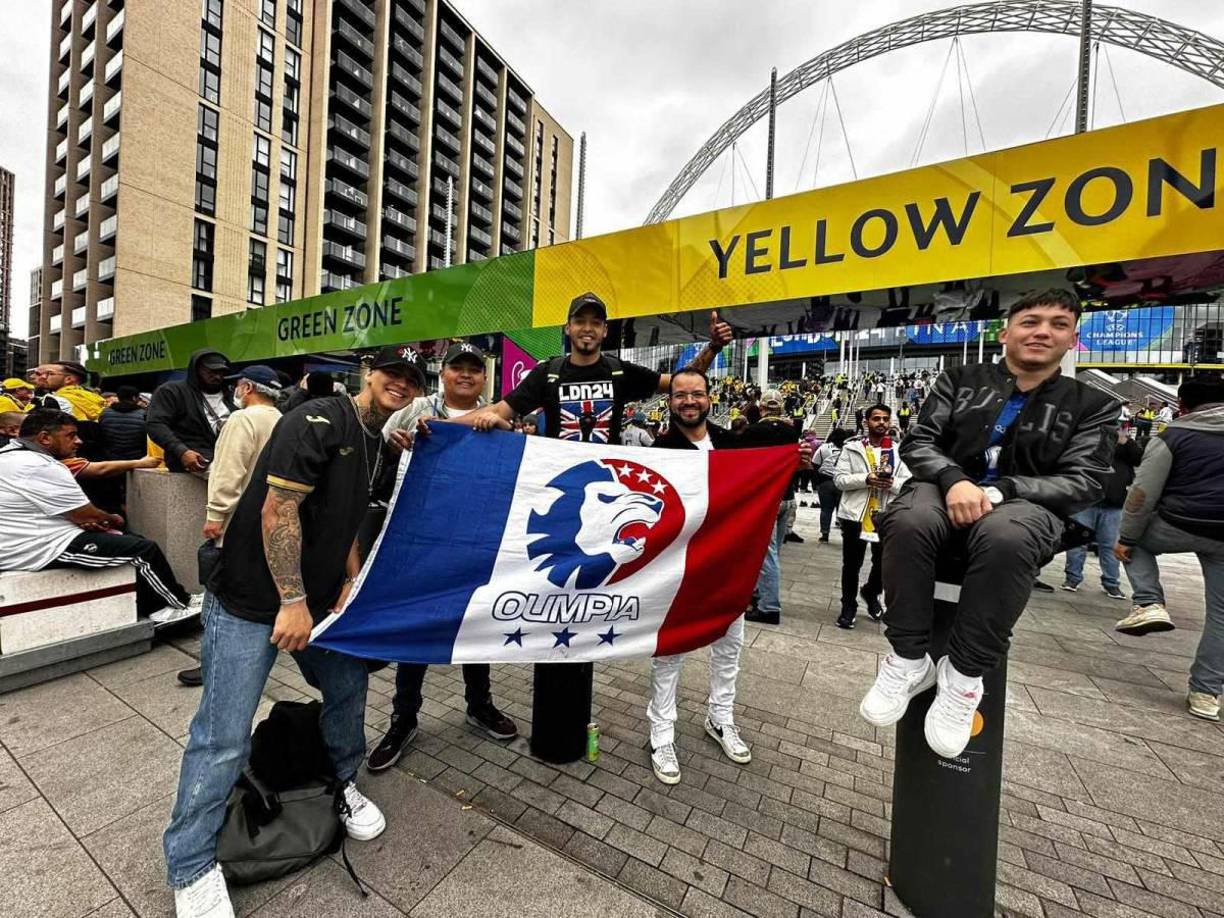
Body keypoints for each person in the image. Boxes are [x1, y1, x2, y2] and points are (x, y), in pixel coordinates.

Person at [163, 345, 423, 918]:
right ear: (367, 373)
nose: (400, 384)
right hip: (254, 600)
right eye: (391, 374)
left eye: (411, 378)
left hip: (321, 603)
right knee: (223, 732)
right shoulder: (318, 418)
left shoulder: (377, 438)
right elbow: (277, 509)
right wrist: (294, 601)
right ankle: (190, 864)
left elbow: (350, 512)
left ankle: (341, 782)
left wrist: (349, 573)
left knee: (348, 688)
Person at [859, 288, 1118, 759]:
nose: (1042, 331)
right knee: (907, 519)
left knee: (1006, 537)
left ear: (1073, 339)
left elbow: (1088, 478)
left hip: (1026, 502)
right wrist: (956, 479)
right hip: (942, 487)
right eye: (1031, 321)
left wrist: (1004, 491)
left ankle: (964, 677)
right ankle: (907, 658)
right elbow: (920, 443)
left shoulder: (1092, 405)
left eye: (1058, 324)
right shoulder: (958, 380)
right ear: (1006, 332)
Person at [366, 343, 518, 772]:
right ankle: (403, 717)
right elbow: (375, 456)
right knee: (415, 627)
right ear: (443, 373)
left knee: (476, 624)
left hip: (473, 539)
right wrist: (394, 447)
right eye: (458, 368)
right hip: (418, 539)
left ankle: (479, 704)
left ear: (484, 378)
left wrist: (510, 436)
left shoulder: (498, 416)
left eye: (474, 369)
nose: (466, 375)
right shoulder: (411, 410)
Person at [0, 410, 198, 623]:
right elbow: (86, 514)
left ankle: (168, 598)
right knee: (142, 551)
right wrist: (113, 519)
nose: (78, 441)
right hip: (37, 548)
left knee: (131, 541)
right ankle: (172, 607)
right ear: (45, 438)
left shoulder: (10, 455)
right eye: (70, 435)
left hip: (31, 537)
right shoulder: (38, 465)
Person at [1113, 376, 1224, 721]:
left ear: (1182, 406)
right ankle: (1206, 693)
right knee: (1221, 618)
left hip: (1179, 523)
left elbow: (1142, 494)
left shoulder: (1173, 435)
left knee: (1136, 543)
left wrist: (1126, 538)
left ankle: (1148, 600)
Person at [175, 366, 287, 689]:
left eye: (238, 385)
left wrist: (215, 516)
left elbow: (228, 472)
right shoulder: (282, 421)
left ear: (248, 387)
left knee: (217, 603)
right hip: (268, 525)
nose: (236, 390)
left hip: (235, 526)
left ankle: (211, 666)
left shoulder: (242, 420)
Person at [835, 405, 911, 629]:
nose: (881, 422)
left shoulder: (898, 451)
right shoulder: (852, 449)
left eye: (885, 419)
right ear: (866, 422)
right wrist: (866, 479)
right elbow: (839, 480)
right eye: (876, 418)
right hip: (855, 515)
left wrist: (891, 484)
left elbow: (908, 483)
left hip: (886, 515)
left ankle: (871, 592)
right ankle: (848, 605)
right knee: (851, 564)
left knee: (884, 563)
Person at [1061, 426, 1144, 599]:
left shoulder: (1127, 444)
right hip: (1087, 500)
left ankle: (1111, 583)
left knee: (1110, 545)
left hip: (1114, 502)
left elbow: (1139, 459)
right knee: (1077, 542)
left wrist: (1125, 441)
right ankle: (1072, 578)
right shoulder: (1090, 435)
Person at [743, 390, 800, 626]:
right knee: (772, 553)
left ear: (762, 407)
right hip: (787, 496)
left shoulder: (753, 431)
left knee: (767, 554)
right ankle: (760, 593)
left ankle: (769, 607)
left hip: (768, 499)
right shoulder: (791, 431)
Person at [147, 349, 235, 473]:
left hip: (230, 457)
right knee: (229, 478)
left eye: (221, 372)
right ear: (196, 370)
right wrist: (181, 451)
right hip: (195, 458)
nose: (217, 376)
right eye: (211, 372)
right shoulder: (172, 391)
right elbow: (156, 425)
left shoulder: (232, 395)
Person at [33, 362, 107, 421]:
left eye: (50, 374)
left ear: (68, 379)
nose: (44, 377)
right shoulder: (95, 398)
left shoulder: (53, 400)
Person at [813, 429, 848, 542]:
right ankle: (845, 533)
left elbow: (815, 464)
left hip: (825, 481)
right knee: (843, 510)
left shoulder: (824, 448)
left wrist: (817, 482)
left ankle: (824, 534)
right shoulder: (848, 449)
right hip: (842, 482)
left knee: (826, 509)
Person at [98, 385, 149, 460]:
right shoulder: (143, 414)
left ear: (118, 397)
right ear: (134, 398)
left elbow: (101, 435)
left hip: (111, 457)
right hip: (136, 458)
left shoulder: (105, 413)